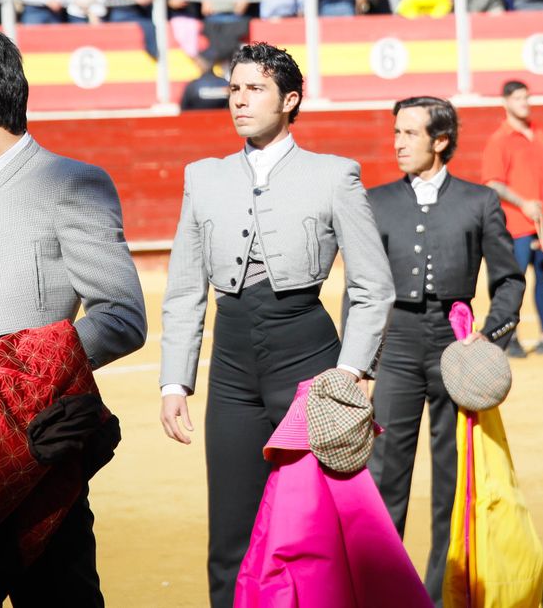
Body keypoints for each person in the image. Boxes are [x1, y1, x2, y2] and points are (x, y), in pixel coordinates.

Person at [0, 30, 147, 605]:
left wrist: (17, 373)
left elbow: (121, 315)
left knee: (55, 591)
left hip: (35, 432)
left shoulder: (73, 184)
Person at [157, 43, 394, 608]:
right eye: (235, 89)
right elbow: (187, 287)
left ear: (290, 100)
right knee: (230, 534)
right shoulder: (203, 177)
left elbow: (371, 285)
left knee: (317, 533)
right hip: (233, 368)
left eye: (254, 89)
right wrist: (174, 381)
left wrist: (350, 370)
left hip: (308, 362)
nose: (239, 99)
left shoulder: (335, 176)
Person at [367, 96, 524, 605]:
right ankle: (385, 592)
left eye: (409, 134)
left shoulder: (479, 201)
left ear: (440, 140)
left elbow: (508, 280)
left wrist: (491, 331)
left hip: (454, 347)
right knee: (385, 472)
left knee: (451, 480)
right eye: (396, 132)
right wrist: (361, 361)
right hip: (396, 345)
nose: (397, 143)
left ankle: (439, 595)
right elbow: (362, 290)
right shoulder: (378, 200)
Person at [481, 80, 543, 357]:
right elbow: (492, 183)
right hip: (517, 224)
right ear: (506, 102)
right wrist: (523, 204)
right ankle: (510, 338)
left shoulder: (539, 134)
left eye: (526, 97)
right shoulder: (499, 140)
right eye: (519, 98)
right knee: (514, 282)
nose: (525, 103)